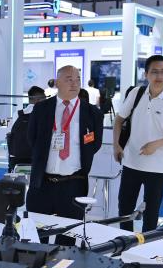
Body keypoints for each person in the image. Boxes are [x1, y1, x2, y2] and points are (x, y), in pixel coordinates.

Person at [113, 55, 163, 231]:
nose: (159, 76)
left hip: (157, 167)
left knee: (151, 213)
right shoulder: (136, 93)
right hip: (131, 161)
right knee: (125, 209)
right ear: (146, 74)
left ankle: (148, 245)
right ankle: (125, 242)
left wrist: (156, 144)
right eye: (154, 72)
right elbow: (119, 120)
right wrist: (116, 144)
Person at [25, 65, 104, 219]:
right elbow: (32, 138)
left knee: (70, 231)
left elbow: (94, 145)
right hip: (42, 183)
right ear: (57, 83)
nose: (74, 84)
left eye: (77, 80)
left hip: (74, 184)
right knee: (37, 229)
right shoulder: (41, 108)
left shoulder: (92, 113)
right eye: (69, 79)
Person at [7, 85, 46, 170]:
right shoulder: (45, 115)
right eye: (44, 98)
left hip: (17, 158)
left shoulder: (17, 114)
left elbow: (10, 134)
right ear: (37, 99)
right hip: (39, 157)